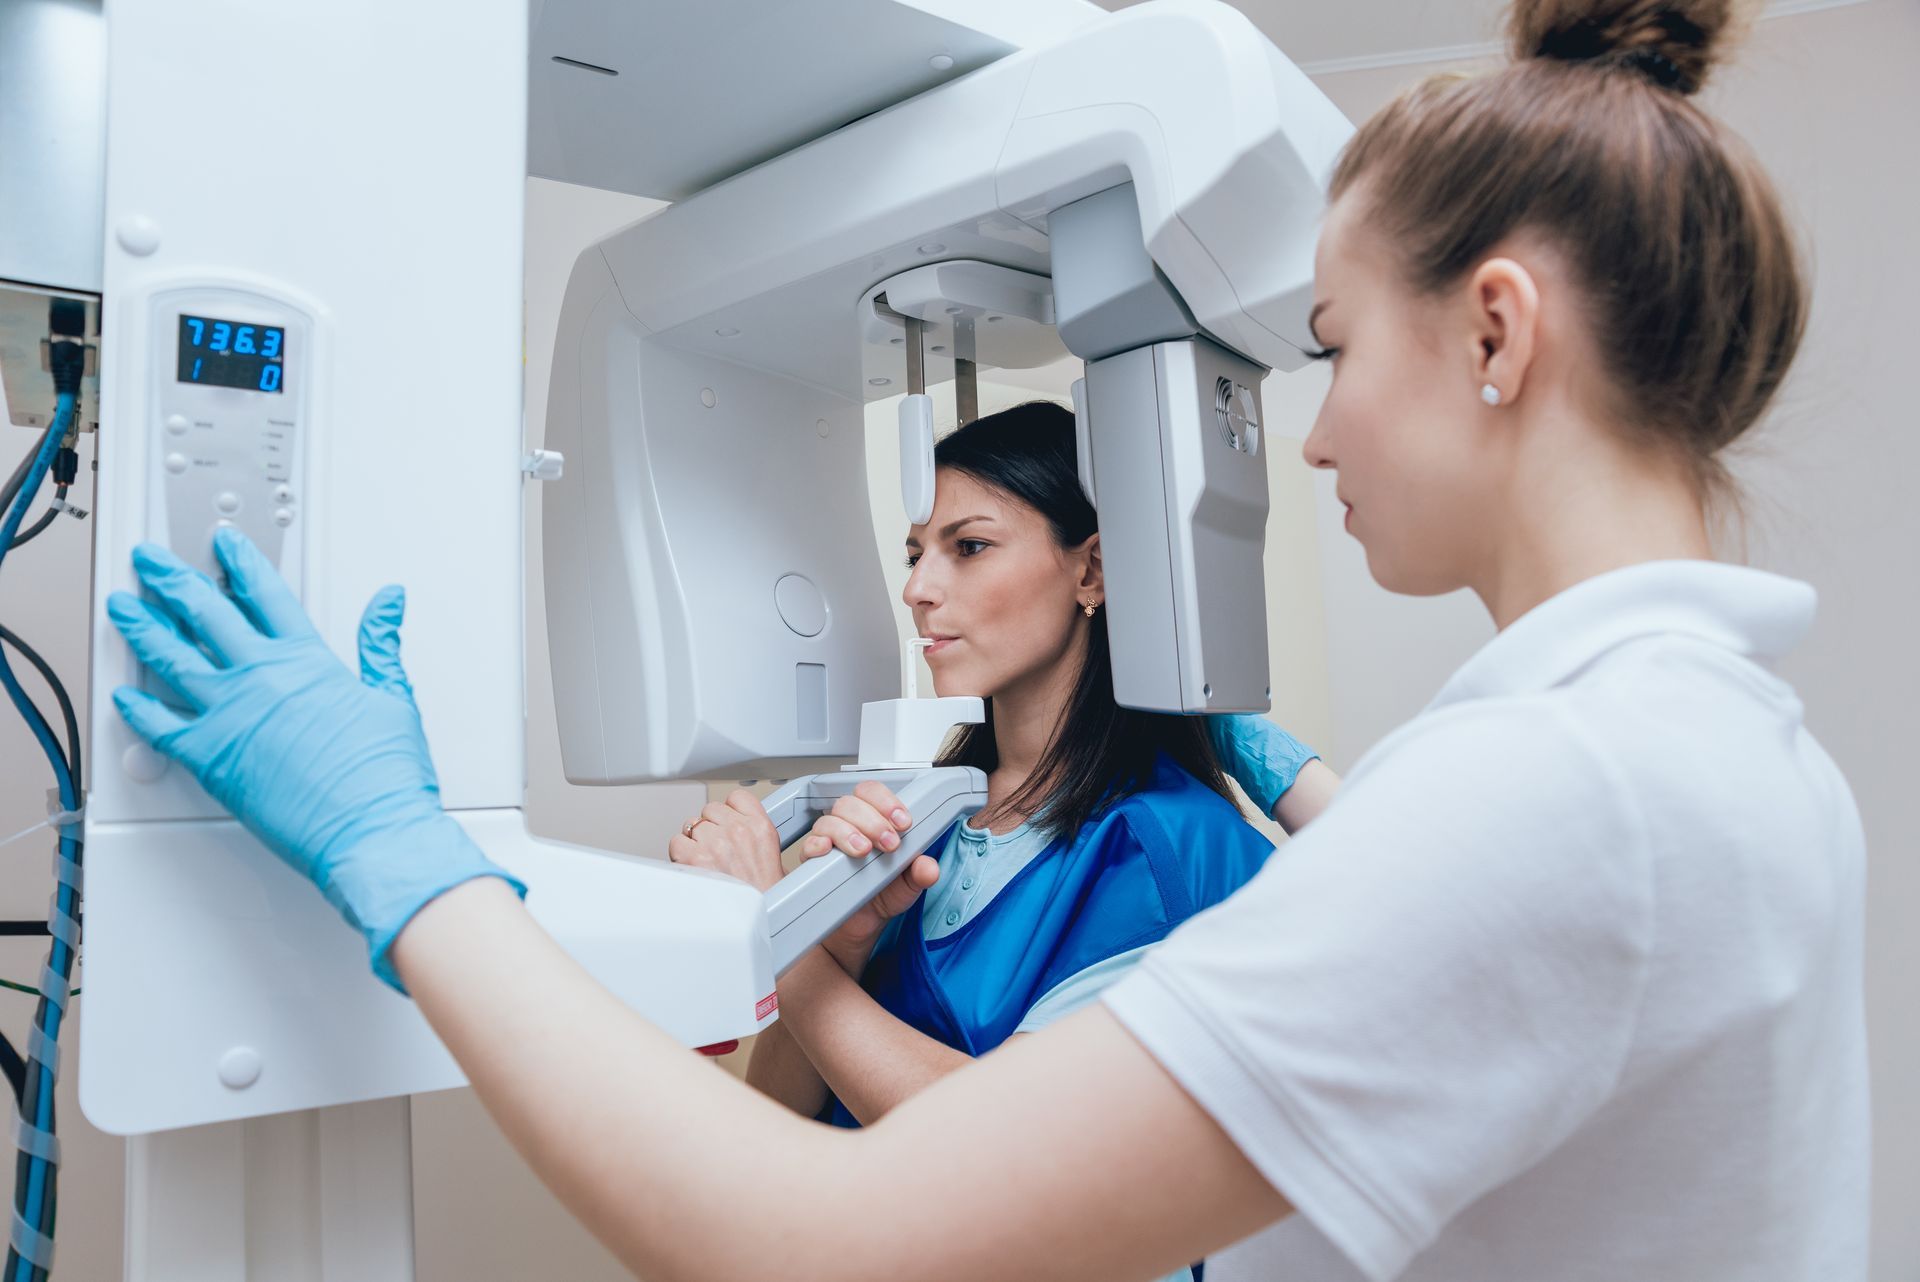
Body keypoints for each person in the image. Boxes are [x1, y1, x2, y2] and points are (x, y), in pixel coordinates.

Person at [105, 2, 1867, 1279]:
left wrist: (406, 862)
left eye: (1332, 348)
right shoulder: (1702, 751)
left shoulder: (1563, 787)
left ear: (1495, 332)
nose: (1311, 437)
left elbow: (826, 1233)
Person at [662, 406, 1323, 1197]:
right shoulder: (915, 825)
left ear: (1091, 572)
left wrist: (784, 947)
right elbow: (780, 1135)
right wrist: (835, 945)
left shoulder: (1161, 846)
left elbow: (1004, 1150)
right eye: (914, 555)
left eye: (968, 547)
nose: (916, 589)